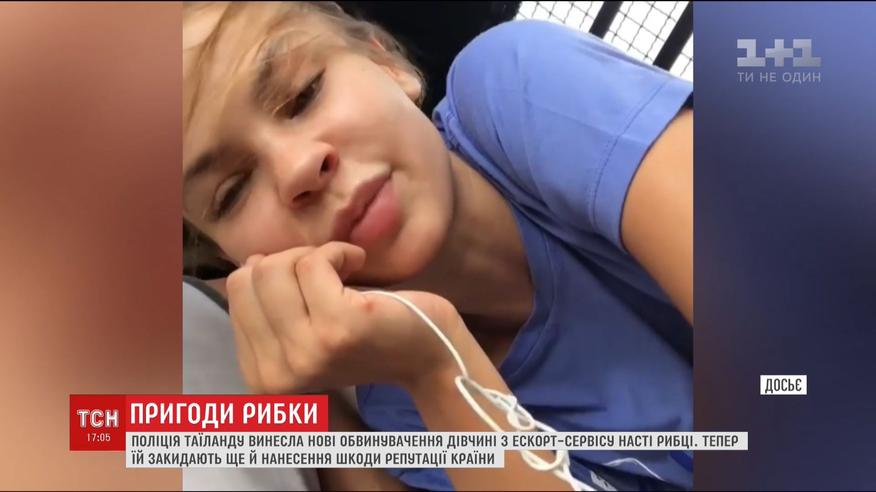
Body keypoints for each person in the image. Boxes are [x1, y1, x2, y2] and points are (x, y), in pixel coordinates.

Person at [183, 2, 693, 490]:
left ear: (386, 64)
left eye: (304, 94)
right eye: (232, 192)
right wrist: (434, 370)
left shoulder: (518, 87)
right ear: (236, 260)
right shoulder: (402, 415)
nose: (298, 167)